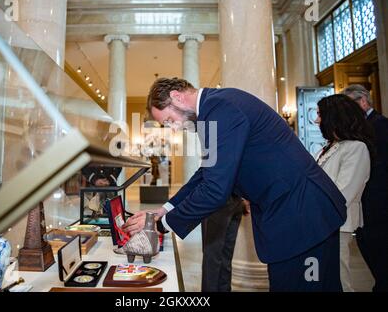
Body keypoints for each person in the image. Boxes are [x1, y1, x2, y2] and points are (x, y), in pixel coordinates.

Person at [123, 78, 347, 292]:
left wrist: (161, 225)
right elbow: (206, 173)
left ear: (177, 97)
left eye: (169, 121)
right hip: (294, 212)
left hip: (302, 216)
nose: (173, 129)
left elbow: (215, 190)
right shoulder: (212, 110)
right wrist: (165, 209)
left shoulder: (220, 108)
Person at [315, 94, 373, 292]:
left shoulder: (357, 148)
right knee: (323, 279)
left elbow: (344, 193)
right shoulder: (328, 148)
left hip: (337, 224)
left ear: (333, 117)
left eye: (320, 115)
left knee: (339, 280)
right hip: (321, 223)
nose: (316, 120)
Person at [342, 85, 388, 292]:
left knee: (380, 253)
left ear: (362, 102)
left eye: (350, 106)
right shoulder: (360, 127)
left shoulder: (380, 125)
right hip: (365, 204)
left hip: (379, 202)